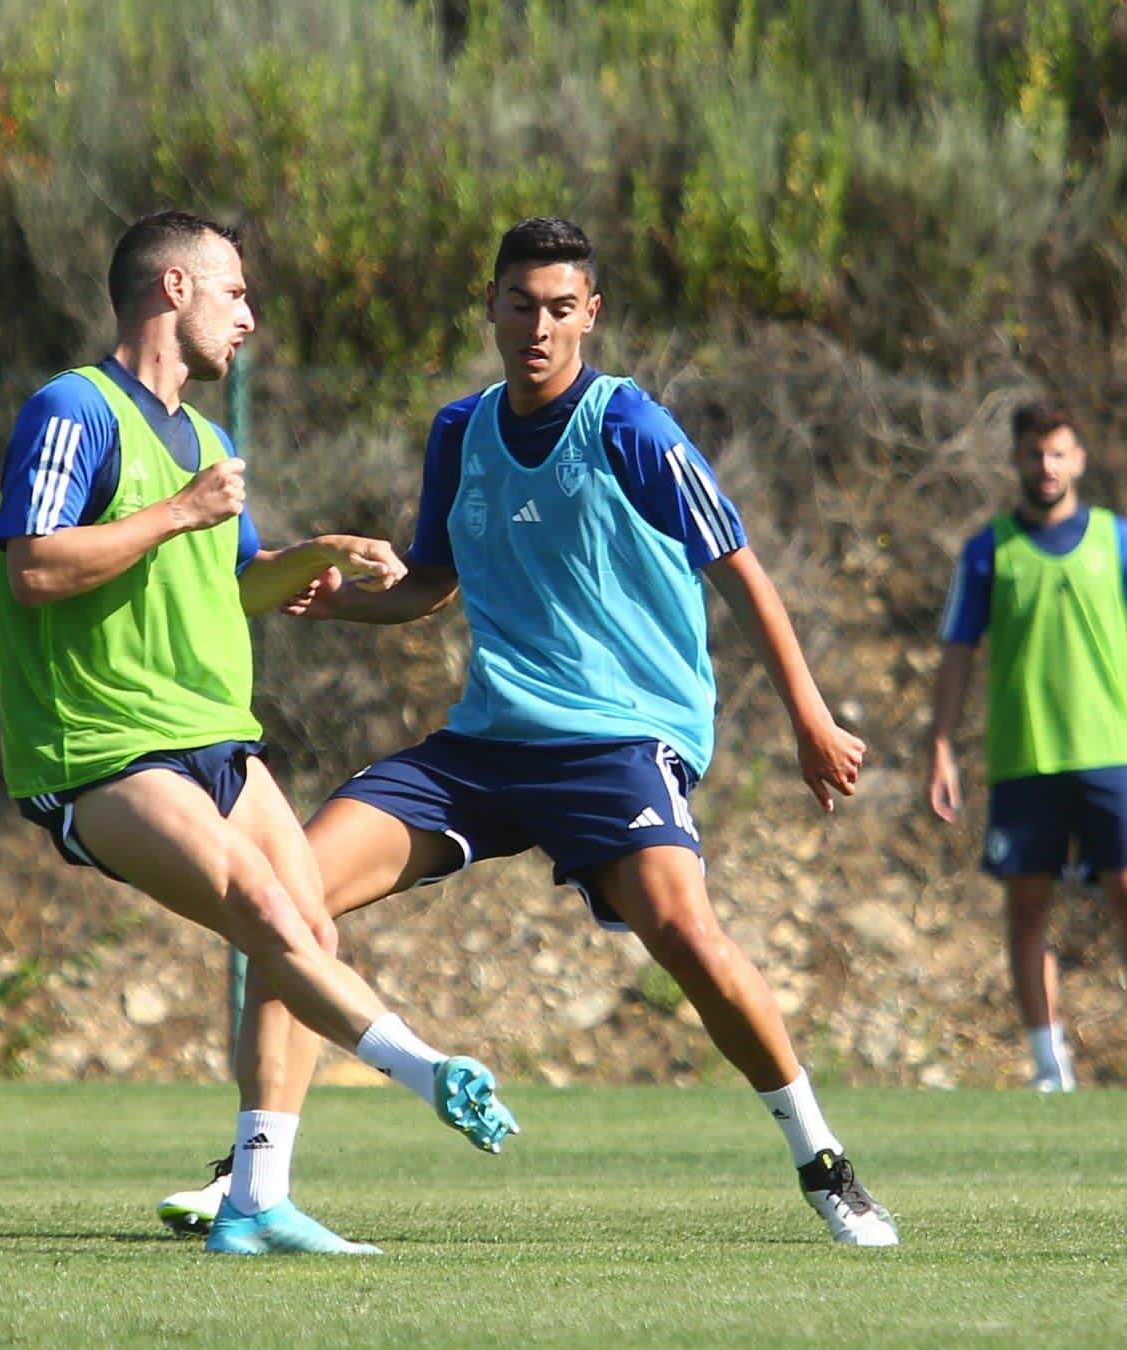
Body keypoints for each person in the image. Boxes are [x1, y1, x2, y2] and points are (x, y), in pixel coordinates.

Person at [160, 216, 897, 1247]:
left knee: (684, 934)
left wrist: (809, 716)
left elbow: (736, 565)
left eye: (559, 308)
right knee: (286, 901)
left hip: (618, 739)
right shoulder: (460, 430)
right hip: (487, 744)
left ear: (590, 314)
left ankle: (823, 1161)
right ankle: (251, 1179)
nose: (538, 327)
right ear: (492, 309)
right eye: (521, 305)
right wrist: (337, 602)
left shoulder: (629, 425)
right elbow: (430, 582)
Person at [0, 210, 518, 1257]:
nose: (249, 317)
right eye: (233, 292)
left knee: (308, 929)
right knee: (265, 910)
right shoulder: (73, 408)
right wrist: (178, 513)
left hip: (218, 738)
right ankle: (426, 1069)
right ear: (173, 288)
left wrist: (315, 558)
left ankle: (256, 1201)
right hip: (103, 746)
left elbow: (233, 584)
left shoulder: (212, 442)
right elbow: (35, 567)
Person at [923, 401, 1127, 1093]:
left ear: (1078, 459)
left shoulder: (1118, 539)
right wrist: (941, 744)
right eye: (1033, 453)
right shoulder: (987, 551)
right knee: (1027, 908)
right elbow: (957, 653)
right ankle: (1050, 1067)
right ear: (1015, 459)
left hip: (1112, 753)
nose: (1045, 466)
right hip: (1026, 758)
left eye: (1057, 453)